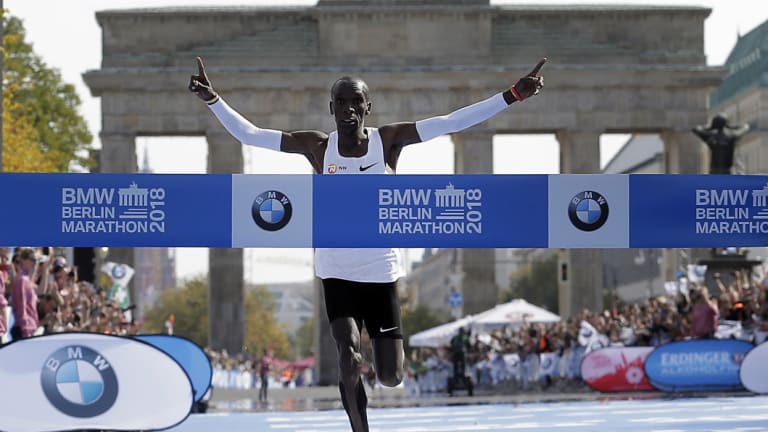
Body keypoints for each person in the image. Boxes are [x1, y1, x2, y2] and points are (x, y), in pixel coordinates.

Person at [189, 56, 545, 432]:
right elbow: (251, 134)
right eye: (340, 102)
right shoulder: (318, 148)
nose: (348, 109)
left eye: (356, 101)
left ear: (367, 107)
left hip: (381, 273)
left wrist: (511, 96)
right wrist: (214, 101)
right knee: (347, 355)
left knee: (391, 376)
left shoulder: (388, 142)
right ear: (331, 108)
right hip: (336, 271)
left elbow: (450, 122)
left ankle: (381, 371)